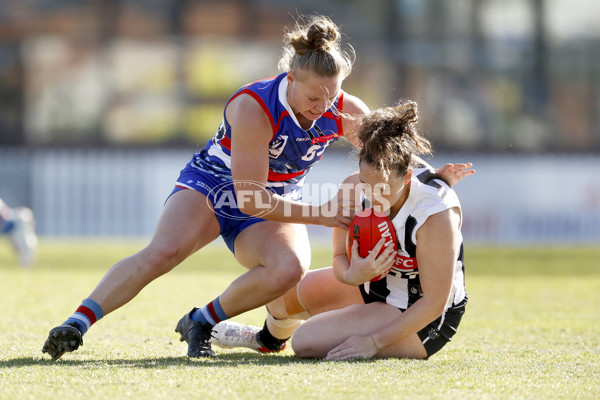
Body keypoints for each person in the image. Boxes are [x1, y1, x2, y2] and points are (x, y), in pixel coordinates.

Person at [42, 15, 471, 361]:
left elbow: (388, 153)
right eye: (314, 99)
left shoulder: (341, 108)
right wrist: (322, 214)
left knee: (289, 270)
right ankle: (77, 323)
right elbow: (249, 198)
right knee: (164, 252)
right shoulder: (254, 107)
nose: (324, 109)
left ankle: (202, 320)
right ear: (290, 78)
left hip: (276, 197)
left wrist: (432, 177)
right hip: (214, 187)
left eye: (332, 97)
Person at [212, 100, 470, 360]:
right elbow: (339, 257)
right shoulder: (352, 189)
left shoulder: (435, 214)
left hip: (420, 311)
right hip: (374, 287)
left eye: (383, 188)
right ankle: (266, 340)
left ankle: (364, 328)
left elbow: (435, 303)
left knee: (305, 341)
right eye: (367, 184)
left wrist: (373, 342)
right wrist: (352, 274)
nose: (373, 196)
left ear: (407, 177)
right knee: (280, 295)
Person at [0, 197, 38, 266]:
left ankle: (26, 269)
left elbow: (5, 216)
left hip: (16, 225)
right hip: (12, 225)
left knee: (25, 251)